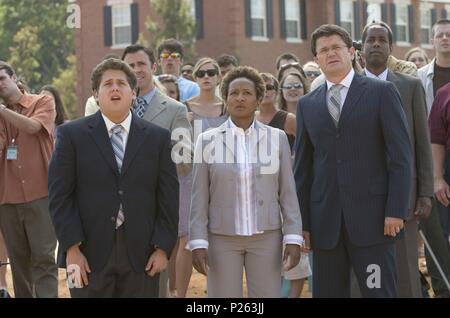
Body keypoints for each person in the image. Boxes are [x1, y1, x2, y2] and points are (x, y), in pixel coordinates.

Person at [294, 24, 412, 298]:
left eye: (336, 47)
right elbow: (303, 168)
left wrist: (396, 209)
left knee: (377, 292)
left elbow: (401, 157)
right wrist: (304, 224)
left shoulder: (381, 92)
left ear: (351, 52)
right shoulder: (307, 104)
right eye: (323, 50)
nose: (330, 53)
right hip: (325, 224)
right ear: (317, 59)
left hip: (374, 222)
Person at [48, 58, 179, 298]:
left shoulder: (158, 138)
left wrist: (162, 248)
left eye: (122, 83)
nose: (115, 88)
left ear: (133, 94)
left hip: (143, 254)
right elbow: (60, 197)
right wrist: (71, 249)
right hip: (84, 254)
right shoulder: (71, 135)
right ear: (96, 95)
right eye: (108, 84)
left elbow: (168, 198)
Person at [189, 66, 304, 298]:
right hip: (221, 239)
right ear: (226, 98)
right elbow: (199, 197)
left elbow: (288, 192)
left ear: (258, 99)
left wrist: (293, 236)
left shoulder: (277, 138)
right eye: (233, 93)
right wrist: (198, 241)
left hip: (267, 237)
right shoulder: (206, 140)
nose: (240, 98)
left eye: (247, 93)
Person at [359, 21, 433, 298]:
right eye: (371, 40)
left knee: (404, 270)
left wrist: (424, 192)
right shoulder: (350, 87)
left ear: (391, 48)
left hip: (405, 196)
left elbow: (422, 142)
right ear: (361, 48)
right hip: (361, 195)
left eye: (382, 40)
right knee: (367, 271)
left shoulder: (410, 87)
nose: (376, 44)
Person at [122, 44, 192, 297]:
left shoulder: (175, 110)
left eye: (141, 64)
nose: (136, 70)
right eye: (130, 66)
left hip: (155, 209)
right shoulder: (111, 107)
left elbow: (185, 158)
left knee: (155, 285)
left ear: (153, 67)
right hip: (115, 213)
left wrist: (150, 162)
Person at [0, 61, 58, 298]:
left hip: (40, 194)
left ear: (14, 78)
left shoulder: (42, 101)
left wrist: (3, 110)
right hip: (8, 199)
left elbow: (35, 127)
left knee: (44, 258)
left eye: (2, 79)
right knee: (19, 264)